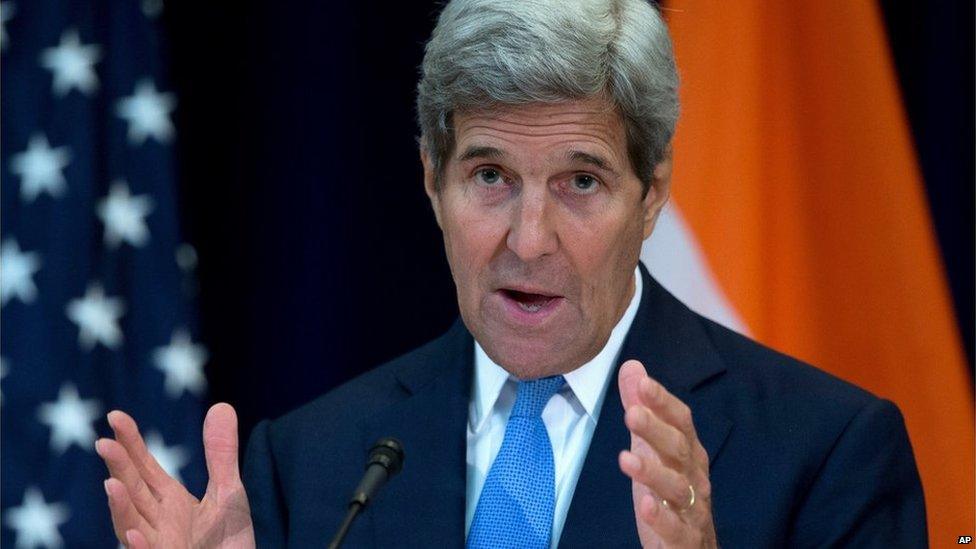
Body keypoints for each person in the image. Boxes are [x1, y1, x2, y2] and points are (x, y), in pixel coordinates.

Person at [95, 0, 927, 547]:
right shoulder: (308, 466)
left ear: (653, 195)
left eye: (582, 182)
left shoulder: (826, 456)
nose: (529, 241)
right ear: (432, 179)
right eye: (490, 176)